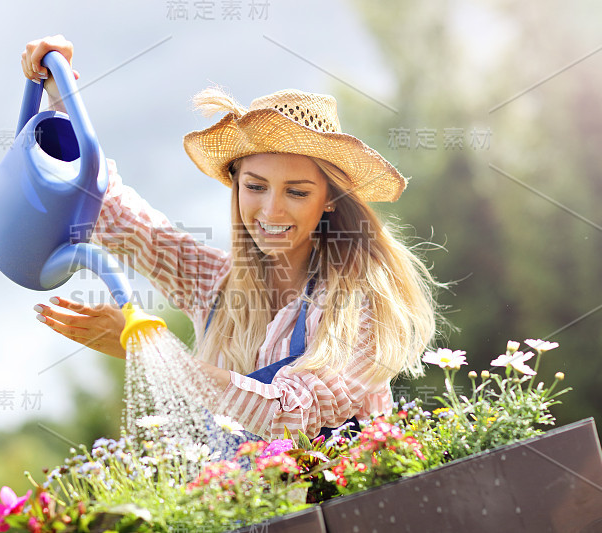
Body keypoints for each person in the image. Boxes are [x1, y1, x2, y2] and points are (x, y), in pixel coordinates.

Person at [24, 35, 440, 441]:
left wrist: (150, 352)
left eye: (297, 192)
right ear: (235, 183)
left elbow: (292, 416)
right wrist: (60, 96)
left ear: (330, 198)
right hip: (248, 510)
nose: (272, 211)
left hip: (343, 510)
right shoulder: (215, 284)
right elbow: (110, 209)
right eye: (256, 186)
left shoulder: (360, 301)